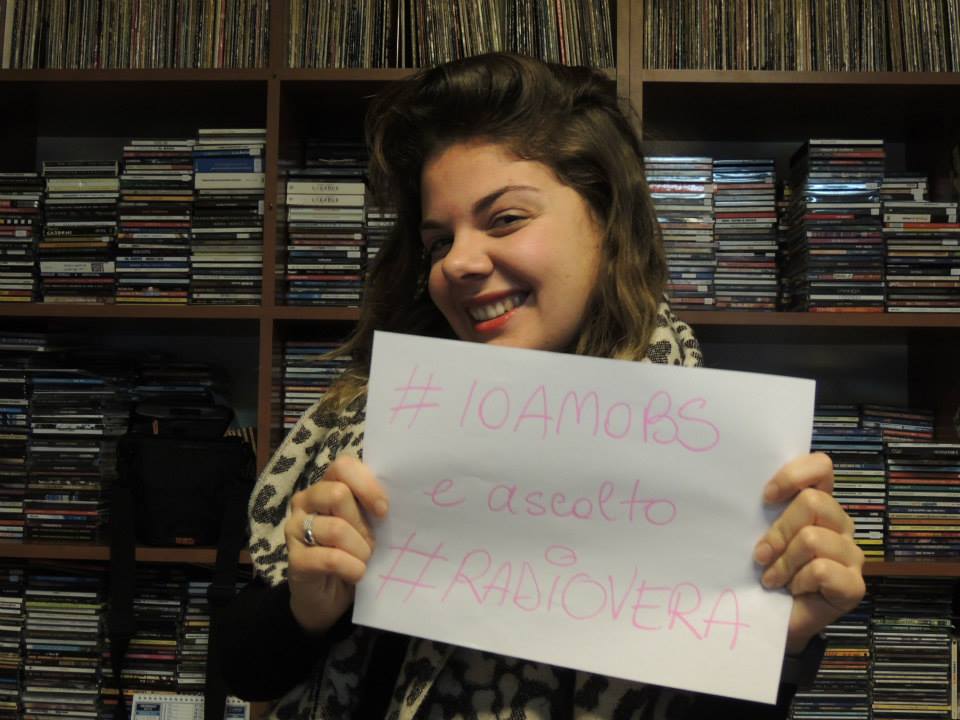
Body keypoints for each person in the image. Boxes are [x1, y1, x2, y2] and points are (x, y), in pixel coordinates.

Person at [219, 52, 866, 719]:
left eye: (505, 219)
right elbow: (243, 668)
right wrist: (306, 609)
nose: (458, 263)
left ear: (607, 220)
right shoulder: (367, 420)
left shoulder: (725, 466)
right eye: (438, 241)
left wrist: (777, 643)